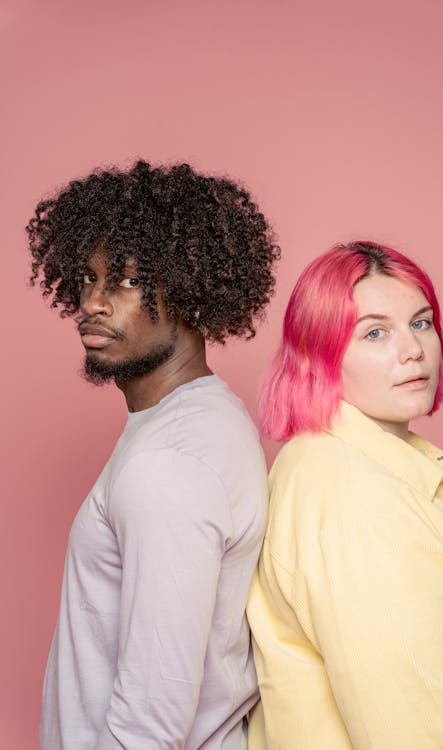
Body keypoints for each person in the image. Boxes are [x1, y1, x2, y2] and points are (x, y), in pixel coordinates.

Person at [27, 159, 280, 750]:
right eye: (86, 279)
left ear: (191, 291)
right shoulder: (198, 418)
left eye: (127, 280)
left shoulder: (173, 464)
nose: (93, 301)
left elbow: (150, 724)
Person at [247, 241, 443, 749]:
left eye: (421, 322)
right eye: (376, 332)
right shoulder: (350, 494)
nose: (413, 349)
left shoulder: (385, 464)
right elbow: (418, 733)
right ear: (320, 354)